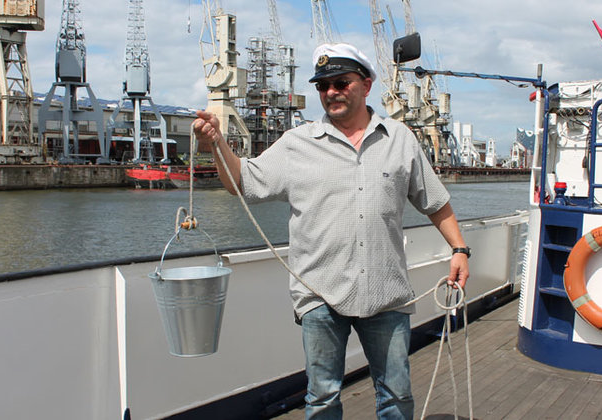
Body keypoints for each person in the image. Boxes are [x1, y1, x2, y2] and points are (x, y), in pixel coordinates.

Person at [193, 42, 470, 420]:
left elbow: (435, 202)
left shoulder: (399, 139)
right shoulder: (297, 144)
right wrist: (216, 143)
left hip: (385, 294)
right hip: (319, 294)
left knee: (396, 395)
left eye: (341, 82)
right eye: (323, 85)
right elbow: (243, 182)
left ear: (366, 85)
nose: (331, 92)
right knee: (321, 398)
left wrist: (459, 250)